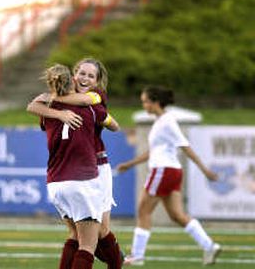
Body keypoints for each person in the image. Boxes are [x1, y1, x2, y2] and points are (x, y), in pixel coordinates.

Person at [27, 58, 123, 269]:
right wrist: (60, 111)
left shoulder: (94, 98)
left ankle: (114, 260)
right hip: (83, 175)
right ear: (73, 75)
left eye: (91, 75)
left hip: (91, 168)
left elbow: (35, 105)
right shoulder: (80, 107)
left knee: (97, 231)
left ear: (98, 81)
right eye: (82, 73)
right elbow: (112, 125)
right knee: (89, 238)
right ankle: (115, 260)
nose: (85, 78)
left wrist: (55, 98)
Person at [116, 85, 221, 266]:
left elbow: (185, 146)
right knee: (177, 215)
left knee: (143, 210)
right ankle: (209, 246)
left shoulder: (167, 121)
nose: (144, 106)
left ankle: (137, 256)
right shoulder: (160, 122)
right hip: (171, 171)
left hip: (163, 170)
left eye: (145, 102)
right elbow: (153, 151)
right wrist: (129, 164)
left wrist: (205, 170)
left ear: (155, 102)